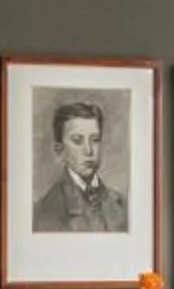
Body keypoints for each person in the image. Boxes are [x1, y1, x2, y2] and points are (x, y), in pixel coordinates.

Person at [30, 96, 126, 232]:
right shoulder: (44, 212)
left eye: (95, 139)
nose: (89, 150)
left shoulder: (122, 204)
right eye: (77, 140)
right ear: (60, 150)